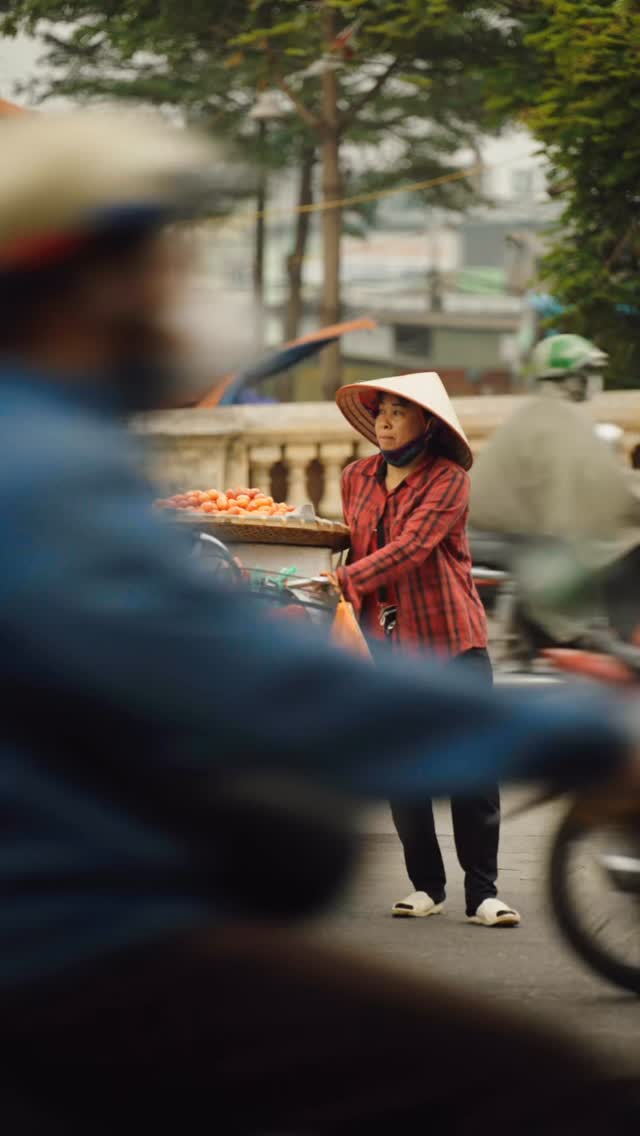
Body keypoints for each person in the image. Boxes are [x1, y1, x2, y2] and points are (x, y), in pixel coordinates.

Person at [0, 110, 639, 1134]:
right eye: (159, 257)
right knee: (539, 1082)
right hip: (67, 944)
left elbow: (384, 565)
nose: (178, 288)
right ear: (89, 282)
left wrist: (343, 584)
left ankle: (476, 885)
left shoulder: (60, 448)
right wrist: (577, 735)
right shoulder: (47, 470)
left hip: (432, 631)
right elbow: (265, 685)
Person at [334, 373, 518, 927]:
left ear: (428, 423)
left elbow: (412, 546)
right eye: (381, 412)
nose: (385, 421)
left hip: (450, 635)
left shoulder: (448, 480)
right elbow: (347, 539)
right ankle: (425, 887)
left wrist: (343, 579)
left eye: (398, 411)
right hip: (385, 644)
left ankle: (483, 894)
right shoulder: (355, 476)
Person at [471, 333, 640, 645]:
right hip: (505, 536)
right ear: (573, 379)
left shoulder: (543, 412)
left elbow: (595, 477)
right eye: (590, 373)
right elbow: (593, 488)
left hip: (495, 529)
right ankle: (584, 638)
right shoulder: (558, 417)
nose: (595, 381)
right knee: (614, 552)